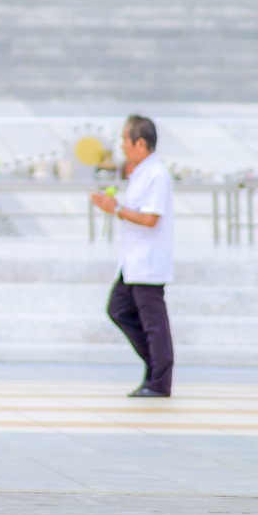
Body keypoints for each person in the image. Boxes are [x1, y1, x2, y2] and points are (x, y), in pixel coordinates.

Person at [90, 113, 175, 398]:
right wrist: (112, 206)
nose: (122, 145)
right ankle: (153, 368)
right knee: (118, 309)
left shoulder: (156, 174)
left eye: (125, 139)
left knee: (154, 326)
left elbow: (151, 219)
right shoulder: (141, 172)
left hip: (148, 263)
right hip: (133, 263)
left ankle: (159, 380)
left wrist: (115, 208)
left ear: (140, 143)